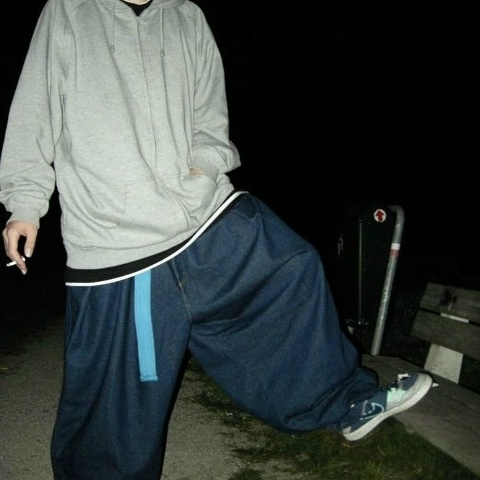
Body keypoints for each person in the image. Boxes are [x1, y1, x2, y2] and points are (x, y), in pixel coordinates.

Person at [0, 0, 433, 478]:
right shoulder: (68, 12)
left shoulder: (186, 16)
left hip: (202, 214)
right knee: (115, 411)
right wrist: (25, 205)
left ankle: (344, 403)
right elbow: (35, 113)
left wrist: (201, 171)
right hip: (117, 240)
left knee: (289, 266)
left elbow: (210, 118)